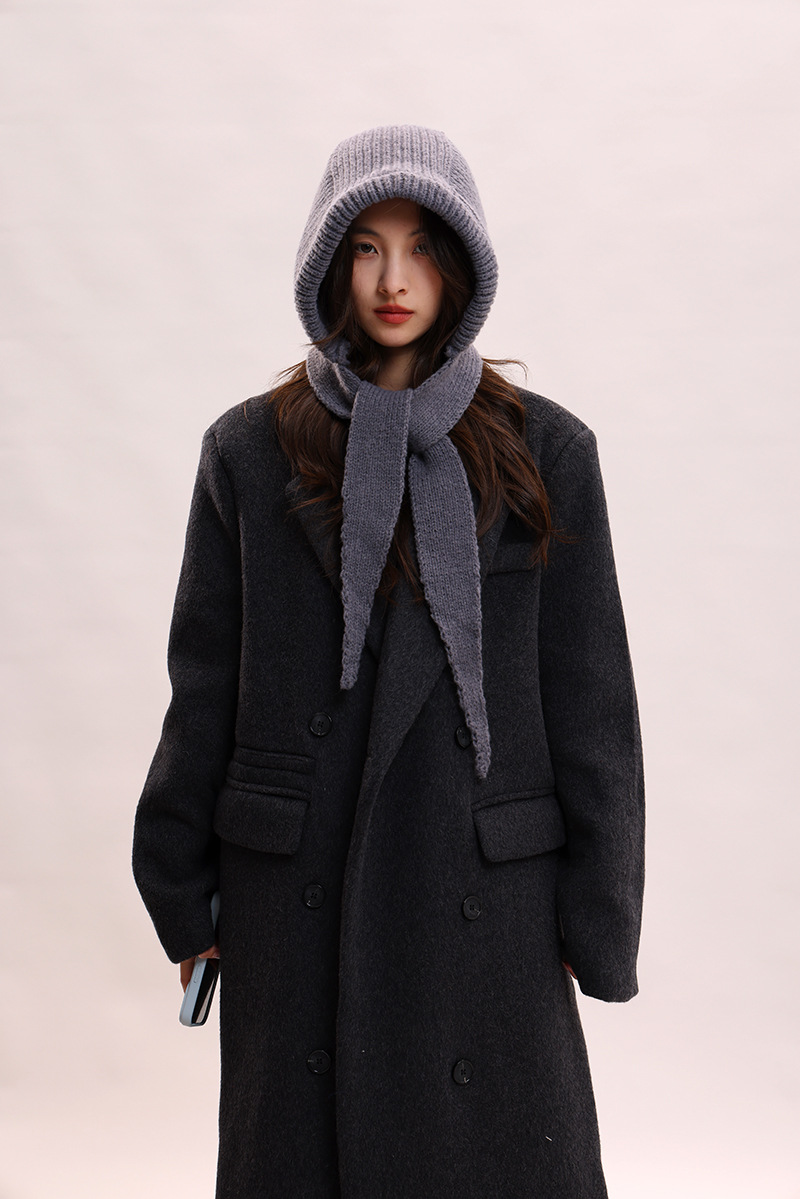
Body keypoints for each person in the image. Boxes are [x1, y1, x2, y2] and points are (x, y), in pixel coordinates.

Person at [132, 124, 645, 1199]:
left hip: (486, 889)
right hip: (296, 892)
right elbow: (203, 688)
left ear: (462, 265)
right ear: (328, 264)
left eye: (420, 247)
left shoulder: (547, 454)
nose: (393, 279)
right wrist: (180, 890)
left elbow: (591, 704)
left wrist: (596, 914)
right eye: (365, 247)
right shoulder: (247, 452)